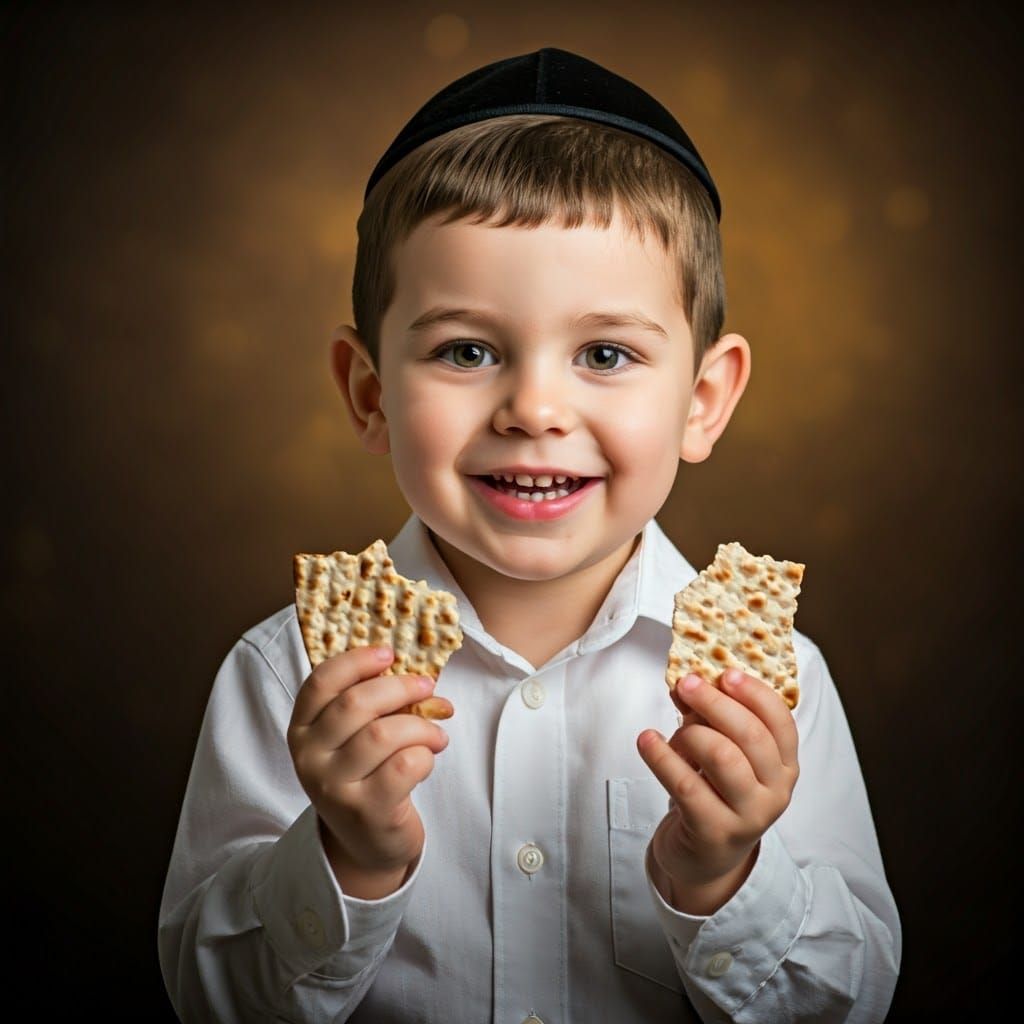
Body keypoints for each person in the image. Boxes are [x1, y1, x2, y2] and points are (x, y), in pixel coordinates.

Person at [158, 47, 901, 1023]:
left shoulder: (771, 690)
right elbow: (210, 999)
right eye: (466, 350)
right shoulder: (286, 673)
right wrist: (346, 857)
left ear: (703, 400)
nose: (535, 408)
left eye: (605, 353)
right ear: (369, 392)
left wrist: (724, 876)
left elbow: (851, 1002)